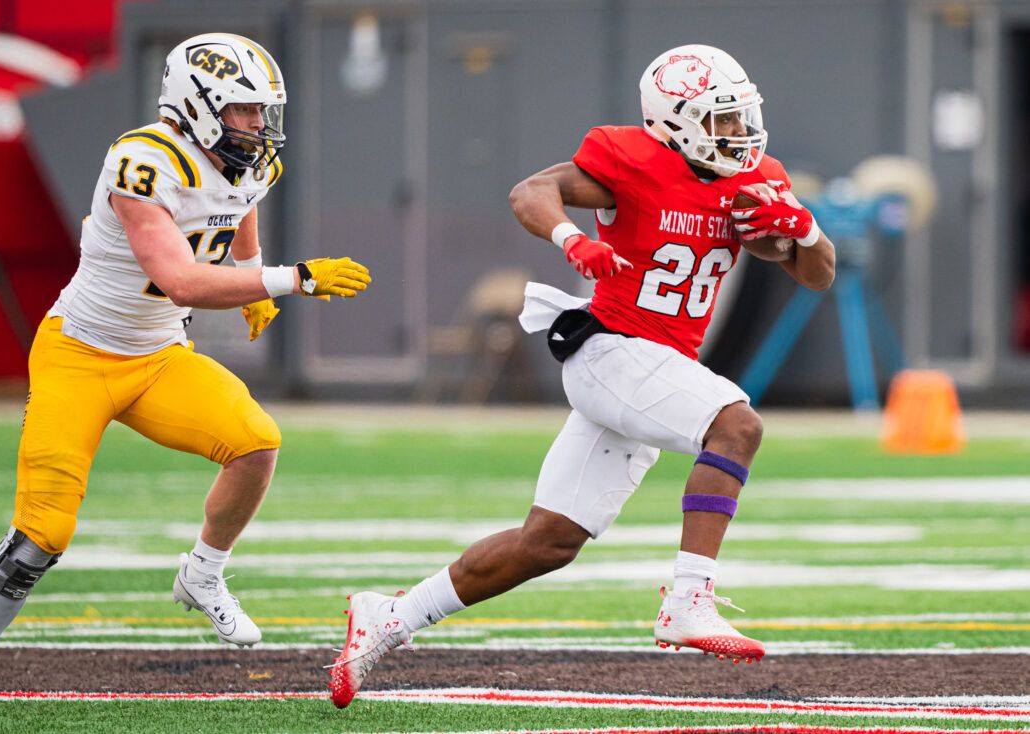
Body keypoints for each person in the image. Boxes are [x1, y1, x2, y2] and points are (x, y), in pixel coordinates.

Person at [328, 43, 834, 708]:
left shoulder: (752, 176)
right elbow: (532, 190)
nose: (738, 135)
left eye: (741, 119)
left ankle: (389, 617)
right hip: (612, 349)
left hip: (656, 368)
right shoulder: (633, 159)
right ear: (675, 122)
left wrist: (805, 231)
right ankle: (689, 598)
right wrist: (573, 238)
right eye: (722, 120)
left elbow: (815, 273)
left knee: (548, 542)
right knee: (735, 424)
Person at [0, 33, 371, 713]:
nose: (259, 126)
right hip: (79, 355)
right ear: (198, 107)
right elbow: (180, 280)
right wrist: (292, 280)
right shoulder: (140, 162)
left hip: (159, 356)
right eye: (246, 111)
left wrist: (252, 280)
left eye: (263, 111)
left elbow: (240, 203)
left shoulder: (247, 161)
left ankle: (203, 575)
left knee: (255, 444)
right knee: (42, 534)